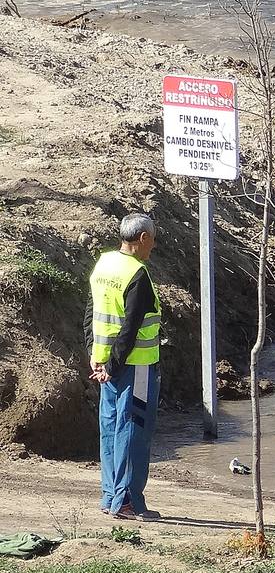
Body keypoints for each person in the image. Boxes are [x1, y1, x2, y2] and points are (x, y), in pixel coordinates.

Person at [86, 213, 163, 520]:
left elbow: (90, 313)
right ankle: (127, 502)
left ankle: (110, 497)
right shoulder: (138, 274)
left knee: (110, 430)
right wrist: (115, 366)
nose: (153, 247)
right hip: (136, 367)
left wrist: (95, 354)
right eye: (152, 240)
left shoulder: (104, 264)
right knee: (132, 431)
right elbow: (130, 329)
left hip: (105, 363)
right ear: (143, 238)